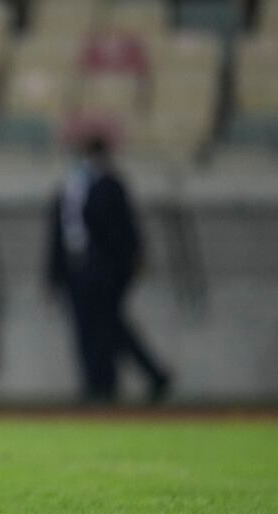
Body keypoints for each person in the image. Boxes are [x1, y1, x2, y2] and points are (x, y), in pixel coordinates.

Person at [46, 136, 170, 404]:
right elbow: (59, 233)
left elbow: (125, 227)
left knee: (106, 326)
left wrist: (128, 263)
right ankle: (100, 382)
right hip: (76, 269)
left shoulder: (111, 185)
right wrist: (54, 274)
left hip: (104, 270)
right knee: (90, 328)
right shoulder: (70, 186)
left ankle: (109, 382)